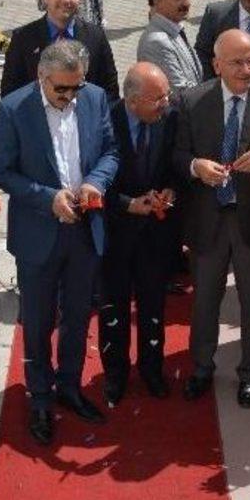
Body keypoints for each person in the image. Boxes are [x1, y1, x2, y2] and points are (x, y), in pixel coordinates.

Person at [0, 40, 119, 445]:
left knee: (79, 317)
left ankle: (70, 386)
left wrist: (95, 182)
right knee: (39, 322)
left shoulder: (95, 99)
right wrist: (48, 198)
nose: (69, 97)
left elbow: (111, 152)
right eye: (61, 89)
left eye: (75, 88)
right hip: (38, 235)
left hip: (85, 229)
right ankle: (40, 398)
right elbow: (2, 172)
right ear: (41, 77)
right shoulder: (13, 109)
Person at [174, 29, 250, 407]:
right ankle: (202, 367)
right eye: (237, 62)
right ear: (216, 64)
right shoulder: (193, 101)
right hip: (209, 219)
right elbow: (175, 156)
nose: (247, 69)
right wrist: (195, 167)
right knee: (205, 300)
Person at [99, 62, 177, 405]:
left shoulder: (169, 119)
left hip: (155, 235)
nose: (165, 104)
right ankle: (115, 374)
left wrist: (170, 193)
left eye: (166, 95)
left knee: (153, 306)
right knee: (114, 308)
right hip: (115, 234)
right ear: (132, 101)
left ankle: (152, 370)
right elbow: (91, 177)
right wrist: (128, 204)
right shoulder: (103, 123)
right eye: (157, 98)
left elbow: (174, 166)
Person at [1, 0, 119, 100]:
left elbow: (110, 91)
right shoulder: (23, 38)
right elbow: (9, 93)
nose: (66, 0)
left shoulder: (96, 37)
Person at [137, 0, 201, 95]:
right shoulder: (156, 43)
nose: (187, 3)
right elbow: (179, 92)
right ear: (158, 1)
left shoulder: (175, 29)